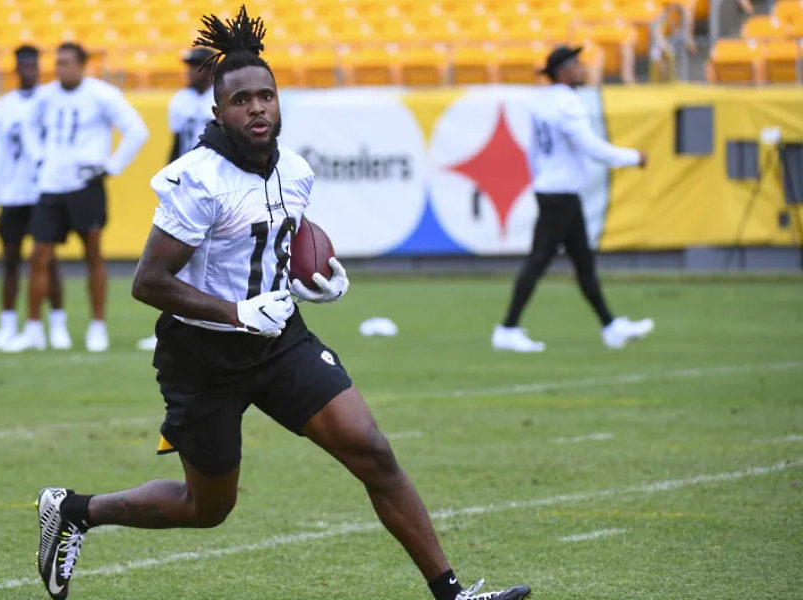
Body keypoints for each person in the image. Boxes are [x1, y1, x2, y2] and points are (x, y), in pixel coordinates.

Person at [34, 9, 531, 600]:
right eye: (241, 100)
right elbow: (148, 282)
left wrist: (315, 279)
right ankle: (75, 510)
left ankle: (451, 594)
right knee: (207, 507)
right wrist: (236, 313)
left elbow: (280, 239)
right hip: (203, 356)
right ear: (218, 112)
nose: (257, 108)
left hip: (279, 341)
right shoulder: (197, 180)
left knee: (371, 450)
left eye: (266, 95)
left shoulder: (294, 170)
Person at [492, 45, 653, 353]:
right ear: (564, 71)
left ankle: (610, 326)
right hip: (559, 193)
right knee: (539, 260)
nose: (583, 69)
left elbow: (535, 153)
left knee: (583, 263)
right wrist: (632, 157)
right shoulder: (566, 104)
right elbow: (592, 147)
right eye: (578, 65)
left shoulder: (543, 102)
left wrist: (543, 178)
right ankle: (507, 328)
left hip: (556, 189)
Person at [5, 42, 149, 353]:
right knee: (39, 255)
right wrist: (39, 157)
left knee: (93, 254)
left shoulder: (101, 95)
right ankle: (32, 327)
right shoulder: (46, 96)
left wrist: (111, 166)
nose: (61, 69)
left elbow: (137, 130)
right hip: (51, 184)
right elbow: (27, 126)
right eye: (58, 63)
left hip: (85, 185)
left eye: (67, 63)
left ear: (82, 65)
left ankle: (97, 326)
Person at [0, 46, 68, 351]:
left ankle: (58, 325)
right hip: (13, 192)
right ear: (16, 68)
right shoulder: (3, 107)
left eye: (33, 65)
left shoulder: (51, 101)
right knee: (10, 260)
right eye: (24, 65)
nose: (29, 70)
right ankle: (7, 325)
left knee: (48, 260)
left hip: (44, 190)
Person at [137, 46, 217, 352]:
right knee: (175, 264)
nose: (190, 72)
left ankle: (215, 326)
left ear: (211, 69)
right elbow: (176, 144)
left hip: (213, 189)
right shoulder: (180, 101)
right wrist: (169, 181)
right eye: (189, 66)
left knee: (210, 261)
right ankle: (171, 329)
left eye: (197, 66)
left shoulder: (221, 97)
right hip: (185, 189)